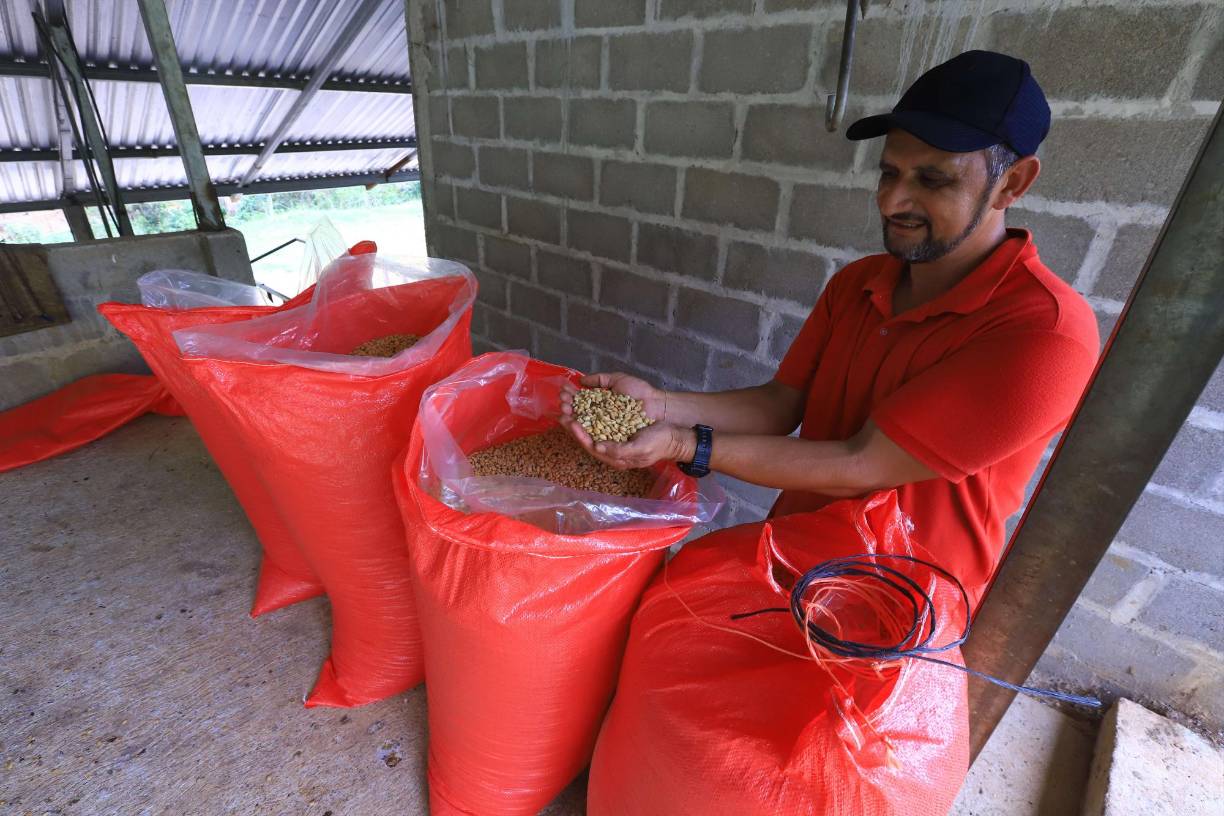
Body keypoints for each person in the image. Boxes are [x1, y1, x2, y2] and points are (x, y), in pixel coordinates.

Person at [560, 50, 1100, 603]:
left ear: (1012, 183)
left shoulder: (1043, 335)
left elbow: (861, 464)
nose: (892, 201)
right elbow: (781, 404)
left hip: (899, 597)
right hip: (793, 551)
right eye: (889, 172)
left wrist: (679, 442)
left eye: (932, 180)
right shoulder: (861, 283)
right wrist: (659, 405)